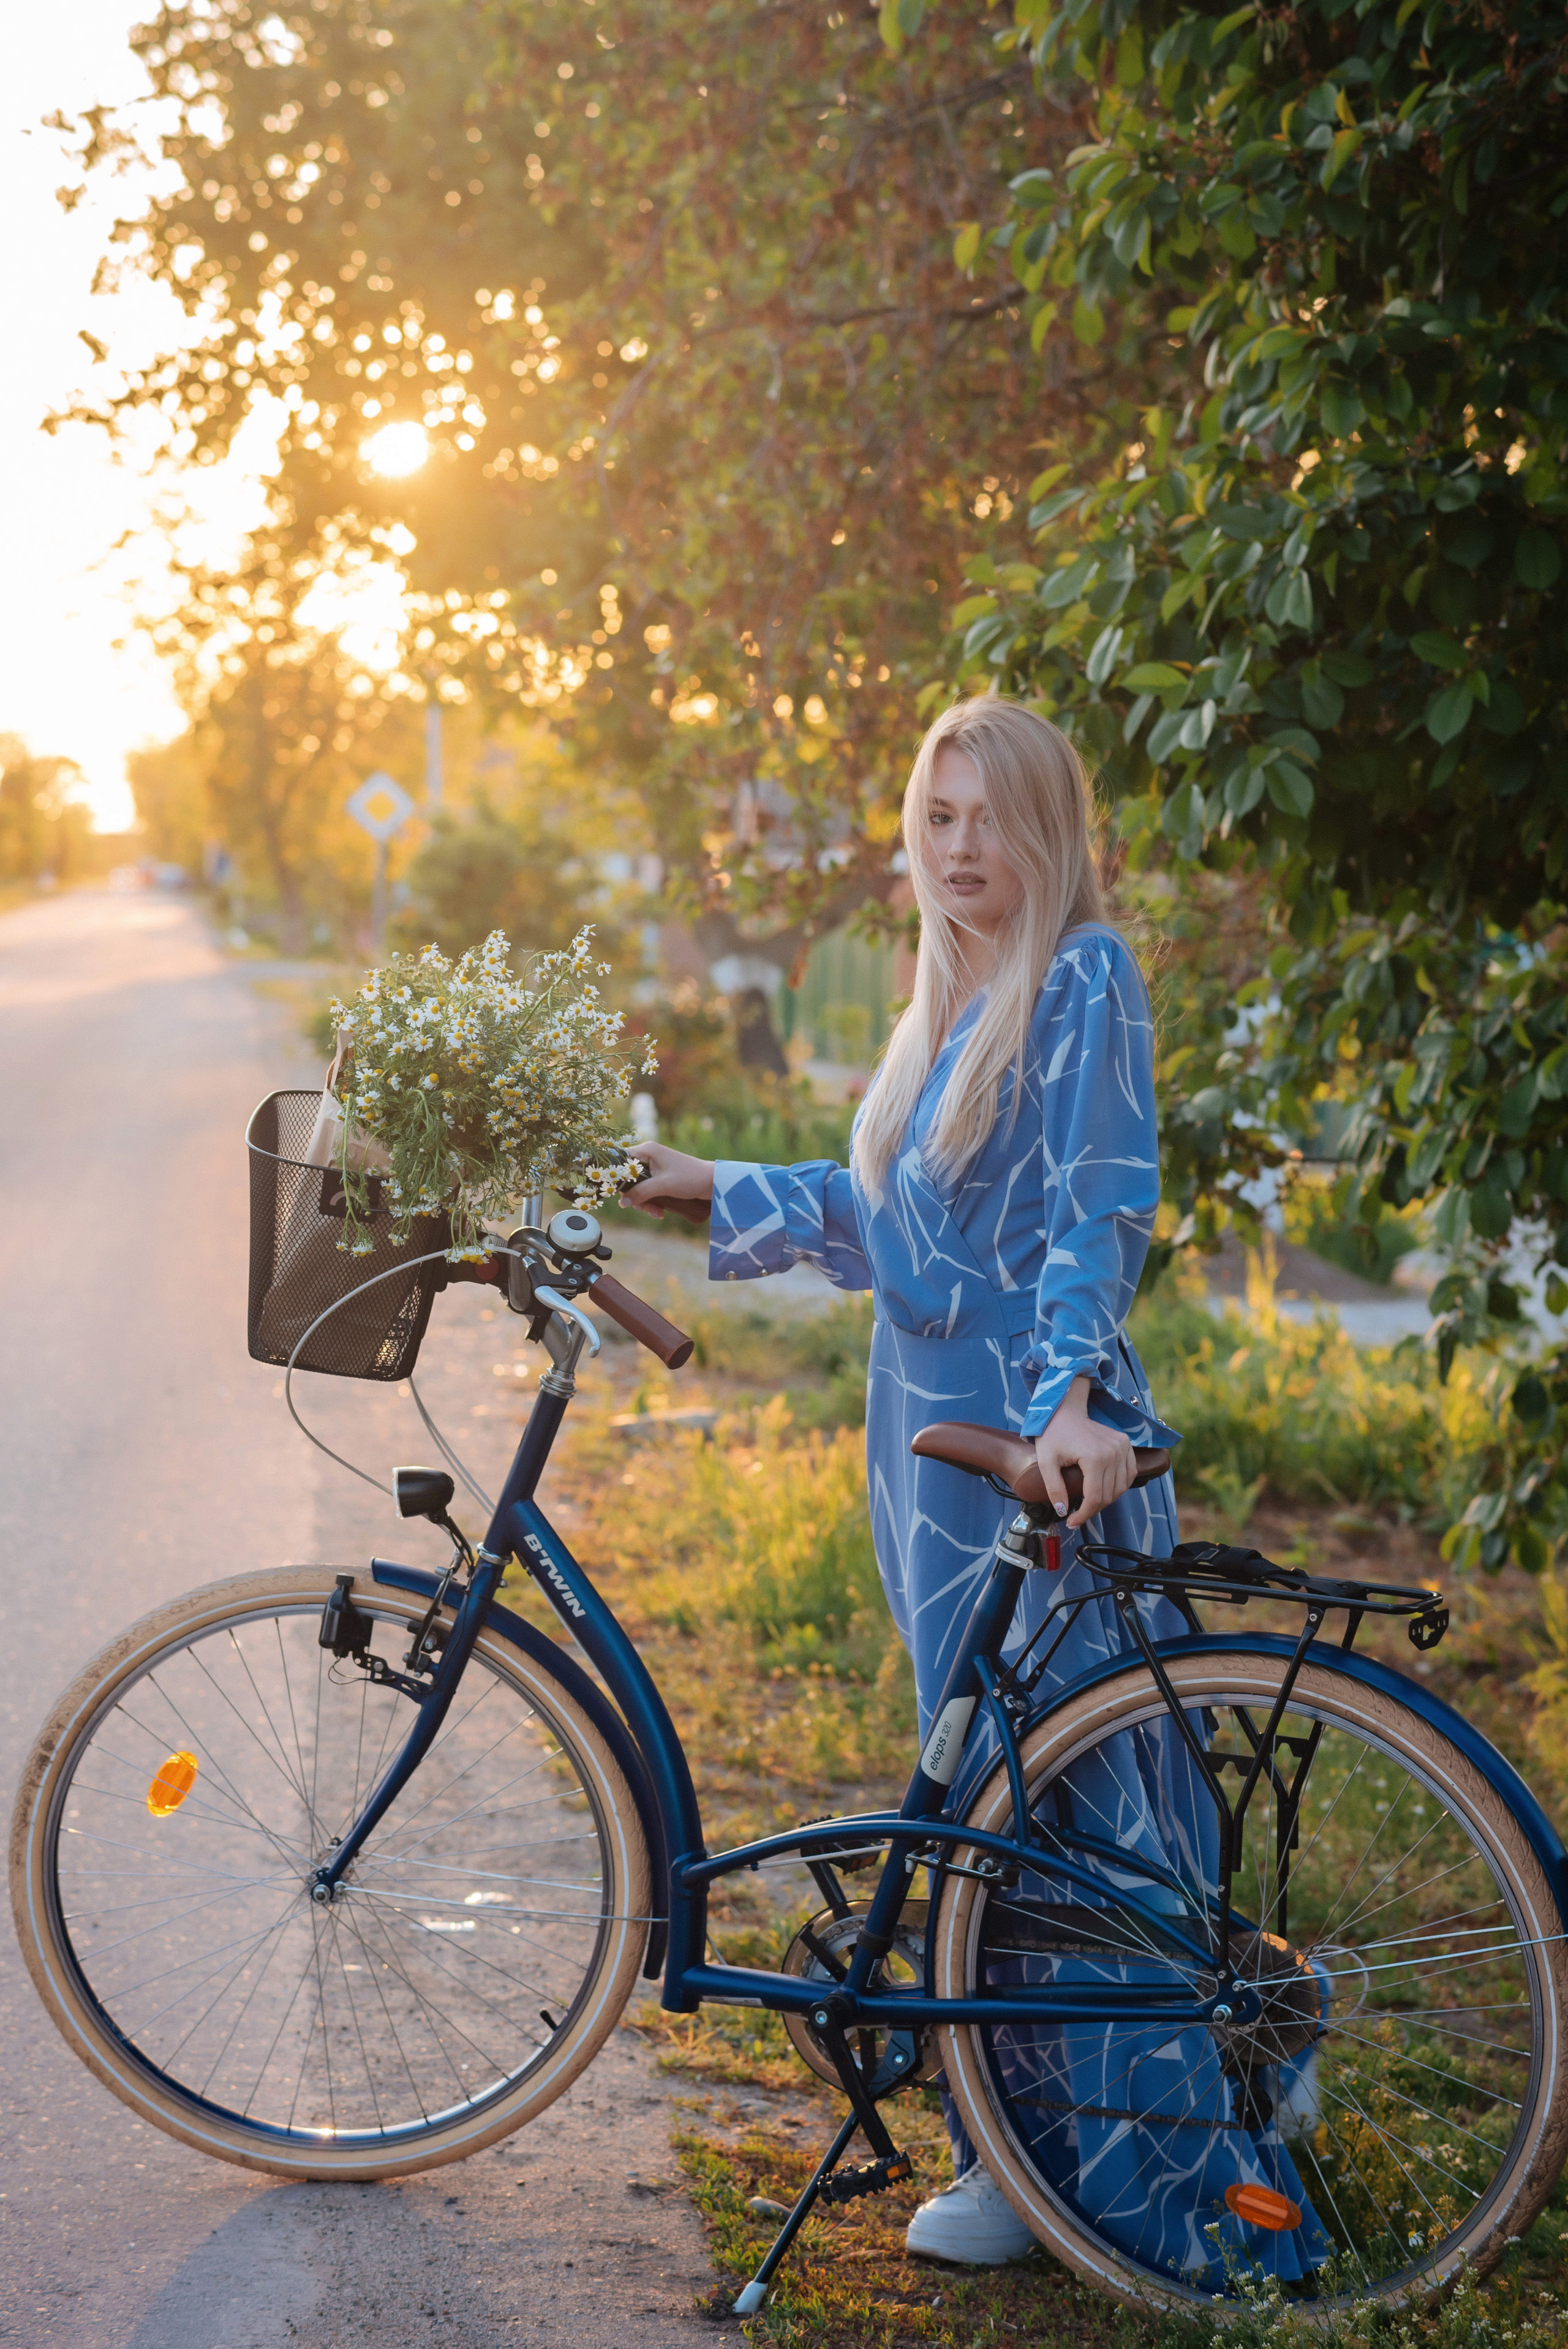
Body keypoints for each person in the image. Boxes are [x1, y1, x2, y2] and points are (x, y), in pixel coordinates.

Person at [624, 694, 1183, 2266]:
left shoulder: (1083, 974)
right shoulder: (954, 1001)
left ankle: (1095, 2168)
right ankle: (1021, 2142)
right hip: (925, 1441)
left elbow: (1099, 1208)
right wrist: (710, 1185)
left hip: (1026, 1438)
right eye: (933, 819)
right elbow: (897, 1228)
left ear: (1047, 829)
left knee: (1061, 1799)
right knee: (988, 1790)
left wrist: (1068, 1396)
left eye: (987, 818)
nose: (957, 849)